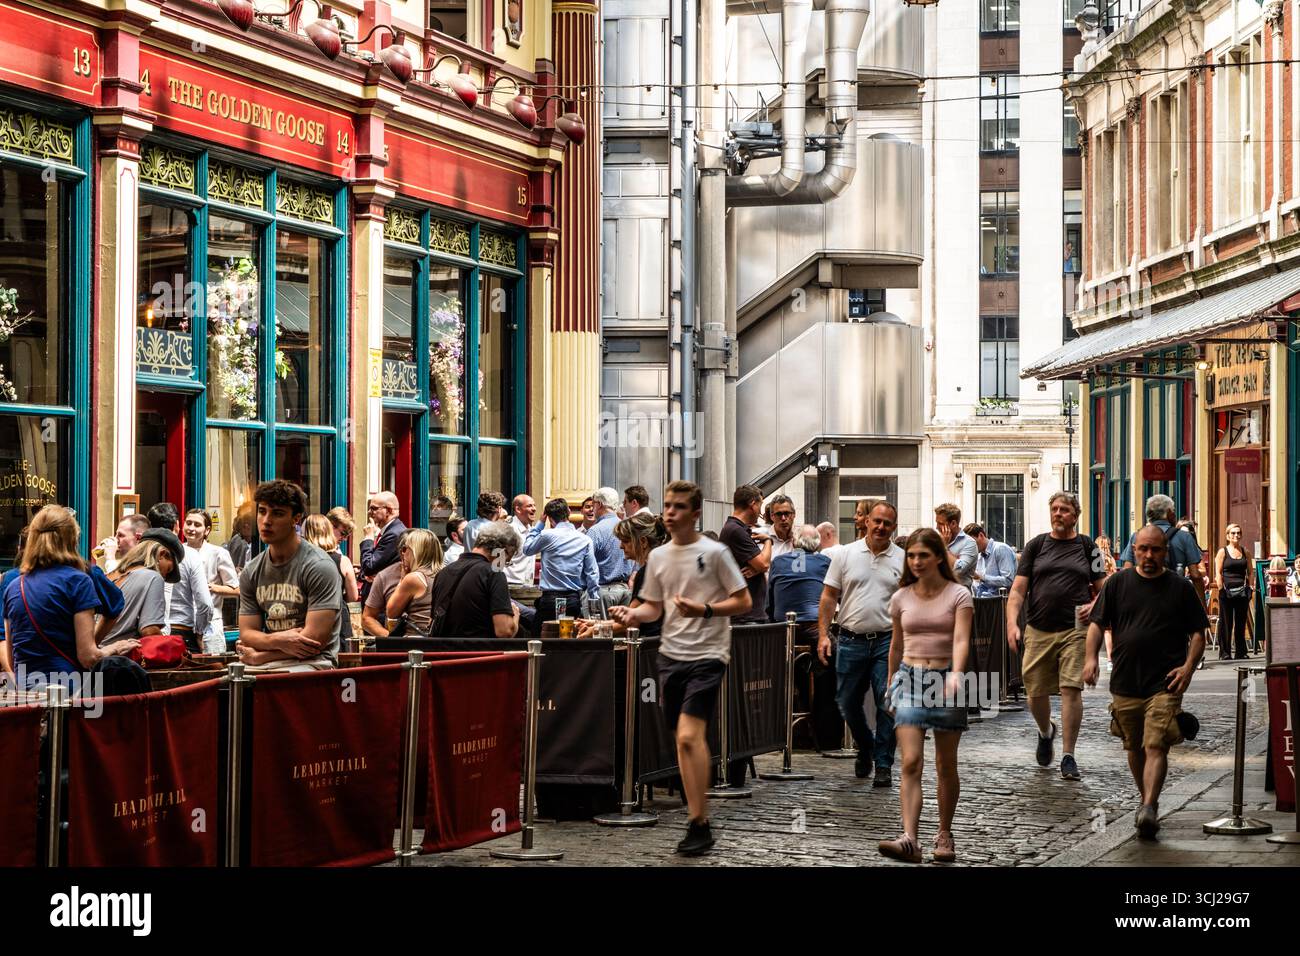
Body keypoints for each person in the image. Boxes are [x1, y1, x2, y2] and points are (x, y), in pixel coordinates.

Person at [610, 480, 750, 856]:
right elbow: (652, 608)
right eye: (668, 505)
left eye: (680, 507)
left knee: (689, 736)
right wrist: (629, 614)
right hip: (671, 656)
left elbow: (743, 601)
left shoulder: (716, 553)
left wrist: (705, 609)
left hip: (708, 654)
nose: (671, 512)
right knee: (682, 741)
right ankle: (699, 821)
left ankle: (698, 820)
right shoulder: (658, 558)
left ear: (696, 512)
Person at [1084, 525, 1207, 839]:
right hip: (1125, 680)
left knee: (1156, 744)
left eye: (1156, 550)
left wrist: (1188, 668)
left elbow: (1197, 634)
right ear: (1134, 550)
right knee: (1134, 745)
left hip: (1164, 682)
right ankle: (1145, 799)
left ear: (1166, 552)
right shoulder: (1117, 584)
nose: (1149, 555)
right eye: (1143, 549)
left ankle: (1150, 805)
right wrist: (1089, 659)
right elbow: (1097, 624)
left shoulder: (1180, 587)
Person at [877, 528, 973, 864]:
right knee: (910, 761)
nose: (916, 561)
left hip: (945, 678)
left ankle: (944, 833)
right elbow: (896, 644)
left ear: (937, 558)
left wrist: (957, 674)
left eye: (923, 555)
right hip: (909, 680)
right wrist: (891, 681)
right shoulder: (901, 597)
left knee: (946, 764)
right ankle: (910, 839)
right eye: (911, 556)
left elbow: (961, 640)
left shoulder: (958, 595)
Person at [1006, 492, 1105, 781]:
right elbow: (1018, 590)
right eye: (1054, 509)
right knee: (1034, 691)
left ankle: (1068, 755)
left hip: (1075, 628)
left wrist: (1093, 605)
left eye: (1064, 509)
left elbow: (1104, 588)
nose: (1058, 513)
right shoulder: (1036, 546)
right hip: (1037, 626)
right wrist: (1012, 623)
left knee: (1071, 689)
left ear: (1076, 515)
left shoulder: (1088, 547)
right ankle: (1046, 731)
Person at [817, 501, 904, 787]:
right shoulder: (845, 554)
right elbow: (829, 596)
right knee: (846, 701)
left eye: (887, 523)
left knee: (887, 701)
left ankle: (882, 763)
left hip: (887, 641)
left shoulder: (902, 559)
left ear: (894, 527)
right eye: (876, 521)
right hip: (850, 638)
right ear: (866, 521)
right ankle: (866, 745)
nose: (880, 527)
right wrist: (822, 634)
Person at [3, 506, 137, 687]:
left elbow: (12, 660)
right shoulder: (78, 581)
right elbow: (88, 657)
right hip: (67, 690)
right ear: (72, 539)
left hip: (25, 692)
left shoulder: (13, 587)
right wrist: (114, 648)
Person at [235, 480, 343, 671]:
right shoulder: (251, 571)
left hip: (314, 663)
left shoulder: (318, 566)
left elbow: (314, 641)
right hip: (268, 659)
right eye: (262, 511)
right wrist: (278, 639)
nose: (266, 520)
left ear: (296, 519)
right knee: (228, 683)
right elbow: (247, 633)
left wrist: (260, 655)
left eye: (277, 513)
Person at [581, 511, 669, 638]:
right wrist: (596, 623)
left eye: (626, 541)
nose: (621, 546)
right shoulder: (661, 566)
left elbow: (631, 622)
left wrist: (595, 629)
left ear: (643, 542)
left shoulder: (647, 572)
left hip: (650, 646)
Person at [427, 522, 521, 638]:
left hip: (443, 653)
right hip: (478, 652)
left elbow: (432, 621)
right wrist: (515, 617)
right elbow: (504, 631)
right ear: (501, 552)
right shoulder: (493, 573)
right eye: (506, 561)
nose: (503, 565)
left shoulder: (443, 573)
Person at [522, 497, 600, 632]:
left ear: (549, 518)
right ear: (569, 512)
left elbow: (527, 549)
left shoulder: (547, 535)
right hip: (572, 599)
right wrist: (594, 601)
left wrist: (540, 524)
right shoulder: (585, 539)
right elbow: (592, 573)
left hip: (550, 599)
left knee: (540, 636)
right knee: (569, 640)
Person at [146, 502, 215, 654]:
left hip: (148, 632)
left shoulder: (142, 554)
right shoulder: (190, 555)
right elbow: (205, 603)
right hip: (182, 632)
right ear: (177, 525)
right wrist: (199, 632)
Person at [183, 508, 242, 654]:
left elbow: (236, 589)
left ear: (207, 530)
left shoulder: (218, 553)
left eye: (197, 525)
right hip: (184, 624)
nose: (191, 528)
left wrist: (209, 587)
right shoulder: (178, 551)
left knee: (213, 665)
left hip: (211, 624)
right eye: (188, 523)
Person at [99, 538, 177, 647]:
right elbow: (149, 631)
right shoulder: (153, 577)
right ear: (161, 555)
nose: (165, 576)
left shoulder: (112, 574)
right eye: (168, 570)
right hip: (119, 657)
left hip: (93, 653)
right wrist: (173, 647)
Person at [720, 484, 772, 624]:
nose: (760, 511)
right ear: (753, 504)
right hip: (746, 617)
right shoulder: (735, 530)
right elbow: (764, 564)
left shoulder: (737, 529)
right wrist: (768, 540)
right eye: (760, 505)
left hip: (749, 614)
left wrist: (756, 569)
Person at [1118, 494, 1204, 576]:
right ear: (1169, 513)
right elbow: (1195, 575)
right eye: (1173, 511)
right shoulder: (1184, 537)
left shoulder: (1137, 537)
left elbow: (1127, 569)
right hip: (1174, 589)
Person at [768, 524, 830, 626]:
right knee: (833, 641)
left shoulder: (778, 561)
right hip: (813, 624)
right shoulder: (825, 562)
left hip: (782, 625)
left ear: (793, 542)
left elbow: (769, 601)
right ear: (817, 545)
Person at [386, 529, 444, 635]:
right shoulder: (446, 574)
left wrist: (402, 579)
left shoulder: (414, 578)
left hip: (416, 640)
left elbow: (391, 612)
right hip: (439, 639)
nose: (402, 553)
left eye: (404, 549)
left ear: (416, 551)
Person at [586, 487, 636, 609]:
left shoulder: (595, 531)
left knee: (601, 627)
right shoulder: (628, 527)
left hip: (604, 592)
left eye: (593, 504)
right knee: (622, 627)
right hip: (626, 590)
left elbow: (585, 561)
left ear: (600, 504)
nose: (592, 509)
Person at [1212, 524, 1254, 661]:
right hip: (1227, 592)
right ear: (1228, 536)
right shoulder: (1222, 552)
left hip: (1242, 592)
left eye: (1238, 533)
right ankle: (1225, 652)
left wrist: (1250, 586)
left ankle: (1241, 651)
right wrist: (1220, 589)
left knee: (1241, 622)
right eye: (1233, 533)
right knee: (1226, 622)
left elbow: (1250, 571)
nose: (1236, 535)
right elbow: (1218, 572)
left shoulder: (1245, 551)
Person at [358, 491, 407, 596]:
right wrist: (365, 575)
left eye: (374, 508)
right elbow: (367, 570)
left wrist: (368, 538)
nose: (369, 512)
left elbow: (369, 566)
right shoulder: (388, 531)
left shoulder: (394, 534)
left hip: (382, 601)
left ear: (389, 510)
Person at [303, 514, 360, 605]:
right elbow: (353, 596)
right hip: (335, 613)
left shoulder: (298, 558)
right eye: (343, 533)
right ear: (329, 528)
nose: (344, 539)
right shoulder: (343, 561)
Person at [362, 531, 410, 638]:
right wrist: (391, 639)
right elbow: (367, 618)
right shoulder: (385, 576)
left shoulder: (437, 574)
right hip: (395, 644)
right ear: (403, 551)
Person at [966, 522, 1017, 598]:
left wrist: (981, 577)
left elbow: (1008, 580)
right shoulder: (979, 555)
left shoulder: (1000, 549)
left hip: (997, 603)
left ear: (981, 535)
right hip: (982, 601)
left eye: (971, 543)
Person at [934, 503, 977, 590]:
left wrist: (944, 548)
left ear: (953, 523)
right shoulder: (935, 541)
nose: (936, 527)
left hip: (959, 596)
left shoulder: (969, 543)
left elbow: (958, 570)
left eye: (940, 524)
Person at [504, 495, 538, 592]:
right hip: (510, 587)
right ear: (518, 509)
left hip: (527, 586)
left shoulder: (532, 530)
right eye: (529, 506)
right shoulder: (508, 530)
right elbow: (497, 562)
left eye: (534, 505)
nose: (534, 509)